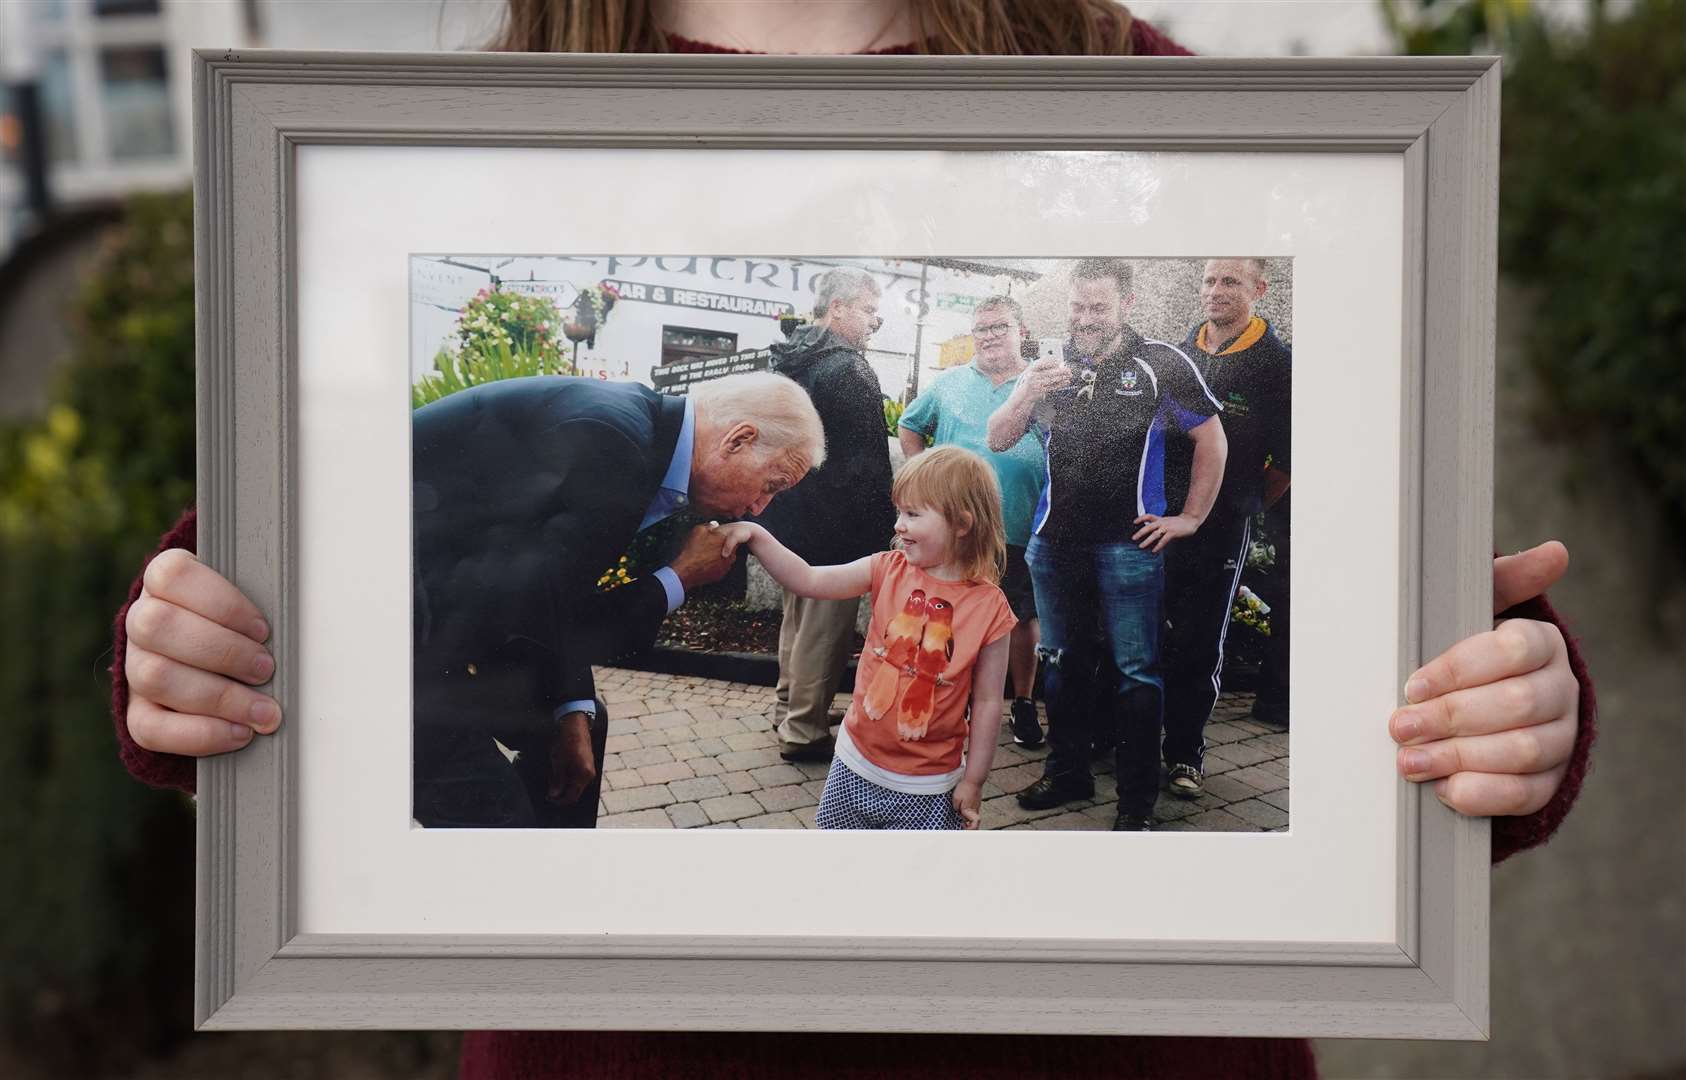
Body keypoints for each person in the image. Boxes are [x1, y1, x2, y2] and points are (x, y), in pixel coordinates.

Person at [109, 2, 1596, 1077]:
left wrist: (1489, 716)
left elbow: (1405, 619)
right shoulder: (450, 136)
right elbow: (322, 539)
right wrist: (208, 658)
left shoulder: (1169, 110)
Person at [409, 371, 822, 827]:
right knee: (498, 815)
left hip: (442, 611)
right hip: (388, 634)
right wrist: (682, 575)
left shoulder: (637, 433)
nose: (759, 508)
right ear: (738, 440)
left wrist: (573, 709)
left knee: (584, 722)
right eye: (772, 485)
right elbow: (536, 613)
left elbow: (548, 595)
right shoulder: (613, 445)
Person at [986, 257, 1229, 830]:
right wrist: (1027, 395)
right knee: (1061, 661)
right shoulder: (1048, 362)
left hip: (1129, 545)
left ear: (1127, 304)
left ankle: (1136, 802)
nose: (1086, 318)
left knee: (1136, 671)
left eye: (1098, 307)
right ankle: (1069, 769)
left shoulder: (1162, 363)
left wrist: (1190, 517)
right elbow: (998, 438)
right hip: (1052, 542)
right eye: (1078, 306)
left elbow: (1211, 439)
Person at [717, 446, 1014, 829]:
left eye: (913, 514)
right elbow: (808, 579)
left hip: (928, 788)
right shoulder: (886, 568)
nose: (898, 525)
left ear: (962, 523)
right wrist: (757, 535)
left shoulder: (991, 609)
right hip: (853, 765)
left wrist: (974, 781)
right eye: (899, 512)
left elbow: (989, 702)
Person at [1159, 257, 1293, 798]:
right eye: (1210, 280)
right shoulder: (1179, 351)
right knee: (1145, 628)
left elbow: (1285, 462)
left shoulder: (1278, 366)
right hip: (1159, 518)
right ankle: (1133, 734)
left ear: (1259, 289)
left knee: (1199, 637)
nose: (1216, 291)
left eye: (1230, 281)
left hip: (1220, 527)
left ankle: (1185, 753)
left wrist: (1241, 506)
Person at [755, 266, 897, 762]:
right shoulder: (849, 368)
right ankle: (804, 730)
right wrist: (885, 525)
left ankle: (787, 704)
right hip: (838, 520)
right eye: (869, 311)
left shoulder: (793, 357)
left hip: (794, 511)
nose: (873, 323)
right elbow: (867, 463)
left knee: (798, 614)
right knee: (825, 624)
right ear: (838, 308)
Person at [898, 295, 1047, 747]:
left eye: (1000, 326)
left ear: (1021, 329)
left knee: (1022, 618)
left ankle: (1021, 703)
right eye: (981, 329)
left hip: (1021, 524)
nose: (990, 337)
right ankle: (949, 702)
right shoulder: (950, 383)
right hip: (958, 530)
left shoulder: (1041, 381)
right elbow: (909, 425)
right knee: (952, 613)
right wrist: (927, 489)